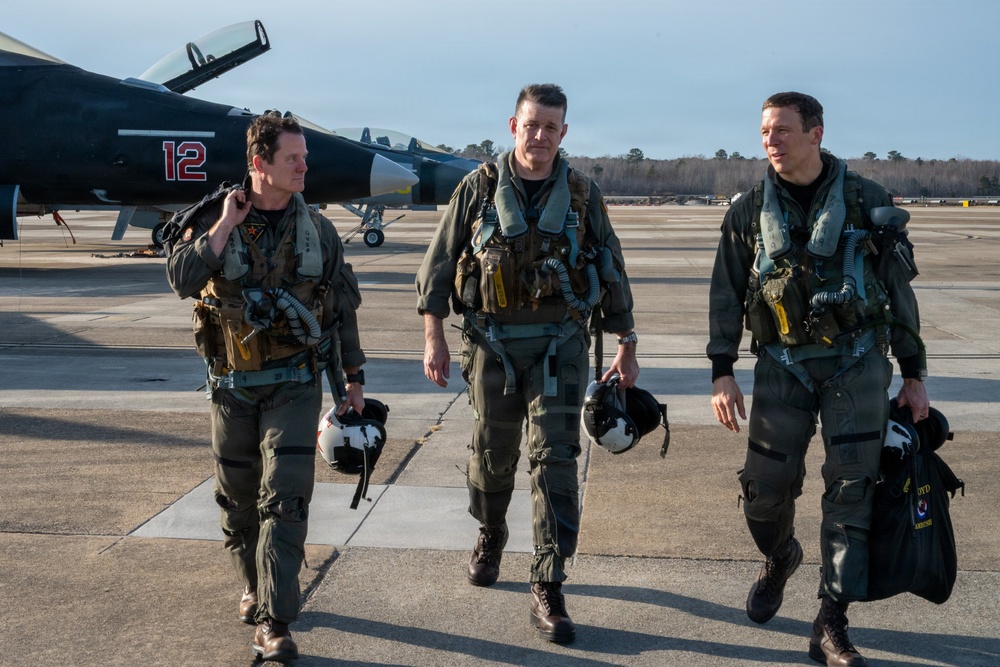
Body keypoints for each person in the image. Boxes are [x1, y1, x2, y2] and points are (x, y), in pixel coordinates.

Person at [708, 92, 930, 667]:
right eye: (764, 132)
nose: (770, 141)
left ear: (816, 134)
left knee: (852, 492)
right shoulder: (749, 209)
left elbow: (899, 294)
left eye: (782, 131)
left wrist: (914, 374)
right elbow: (726, 295)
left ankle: (831, 620)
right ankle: (780, 555)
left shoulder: (869, 203)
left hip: (856, 364)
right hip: (781, 367)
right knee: (764, 490)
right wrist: (722, 371)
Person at [416, 83, 638, 644]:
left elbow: (611, 269)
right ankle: (491, 530)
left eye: (550, 127)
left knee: (556, 459)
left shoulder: (585, 196)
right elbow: (438, 266)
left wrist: (626, 343)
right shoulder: (478, 189)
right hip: (490, 344)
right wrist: (433, 337)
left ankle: (548, 580)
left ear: (564, 133)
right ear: (512, 126)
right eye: (530, 125)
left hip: (561, 345)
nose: (539, 136)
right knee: (492, 455)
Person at [166, 111, 366, 663]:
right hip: (231, 388)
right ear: (260, 164)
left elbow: (341, 311)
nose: (305, 167)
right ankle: (253, 585)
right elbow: (180, 279)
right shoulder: (214, 218)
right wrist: (224, 226)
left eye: (305, 158)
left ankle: (276, 620)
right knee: (237, 502)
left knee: (285, 499)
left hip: (296, 386)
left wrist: (354, 379)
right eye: (293, 159)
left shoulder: (319, 230)